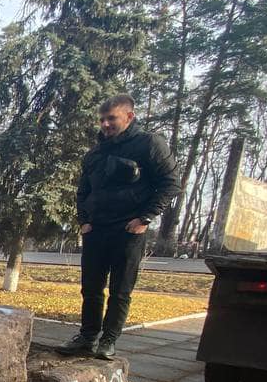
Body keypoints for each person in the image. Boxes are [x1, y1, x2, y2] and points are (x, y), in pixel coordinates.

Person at [59, 94, 181, 360]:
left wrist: (145, 218)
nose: (105, 124)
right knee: (91, 289)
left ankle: (109, 340)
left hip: (128, 231)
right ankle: (88, 336)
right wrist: (84, 221)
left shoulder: (148, 144)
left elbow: (171, 183)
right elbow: (83, 191)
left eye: (111, 118)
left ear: (129, 116)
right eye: (102, 119)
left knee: (120, 290)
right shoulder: (95, 154)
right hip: (96, 230)